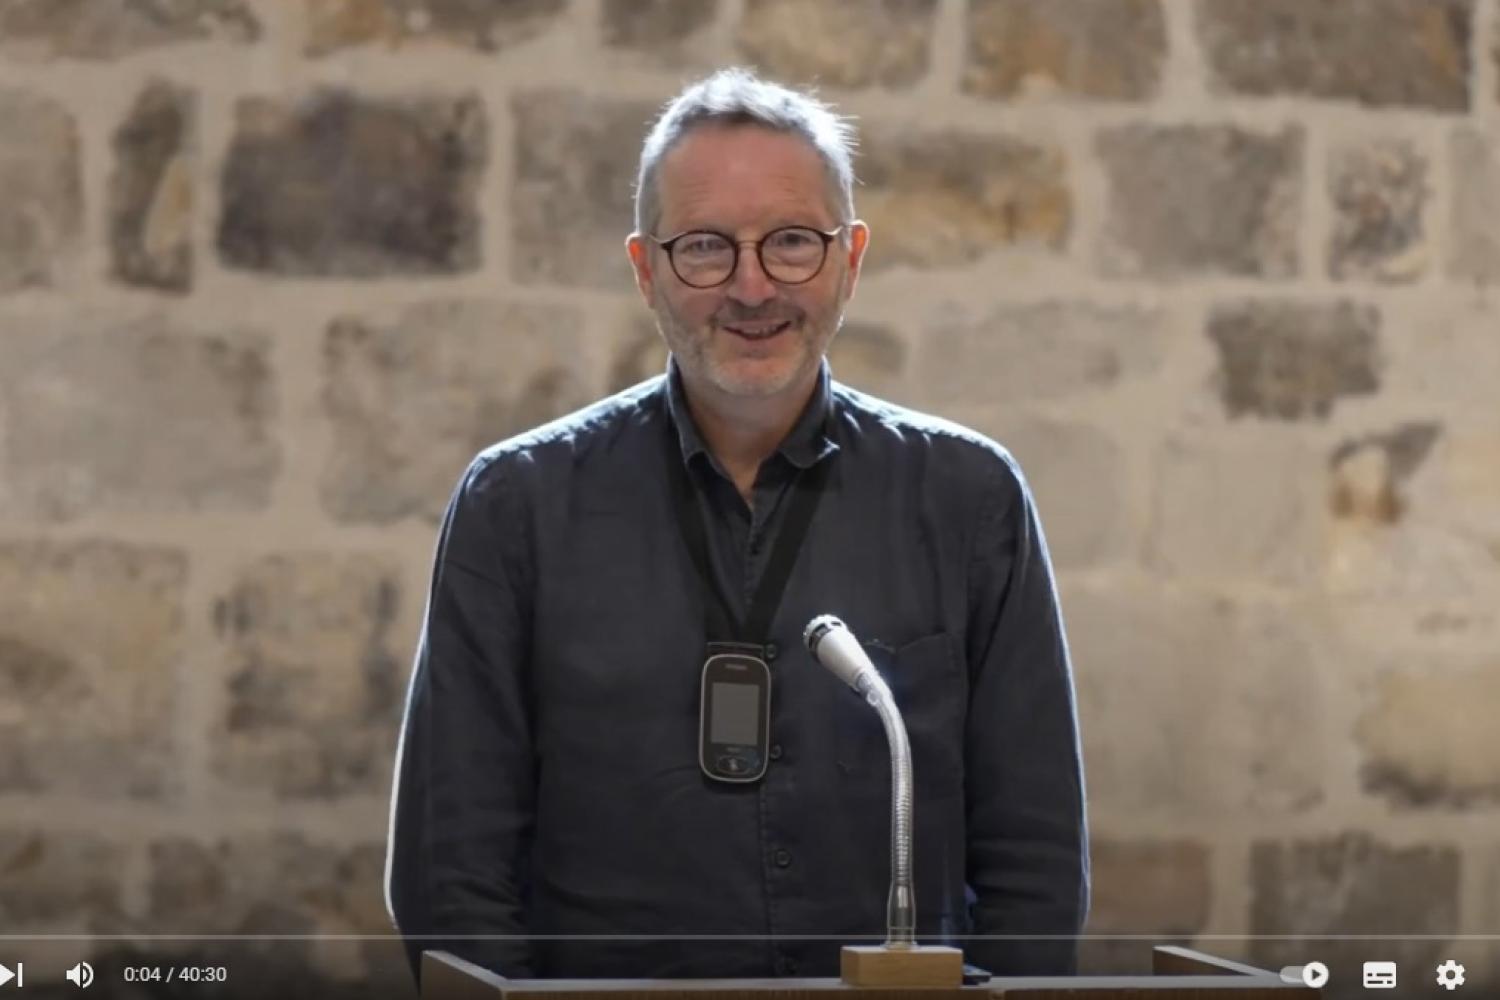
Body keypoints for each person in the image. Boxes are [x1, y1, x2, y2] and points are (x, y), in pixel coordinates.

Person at [385, 67, 1088, 986]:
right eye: (706, 248)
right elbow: (454, 869)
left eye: (793, 242)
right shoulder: (517, 505)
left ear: (851, 258)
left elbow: (1032, 854)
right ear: (646, 269)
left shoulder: (969, 498)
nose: (753, 287)